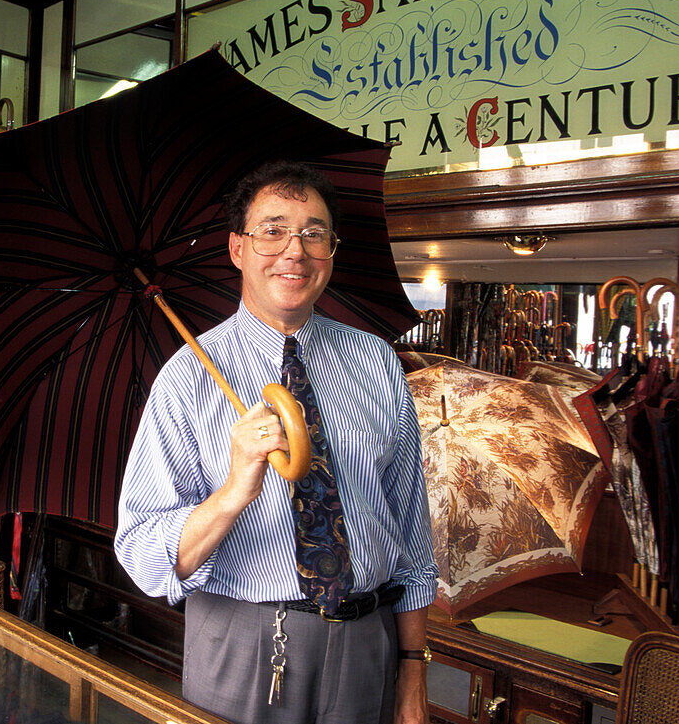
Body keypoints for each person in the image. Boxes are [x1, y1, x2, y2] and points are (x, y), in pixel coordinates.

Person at [114, 160, 438, 724]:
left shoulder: (376, 361)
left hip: (368, 641)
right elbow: (141, 553)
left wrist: (412, 668)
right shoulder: (189, 375)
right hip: (245, 643)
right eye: (273, 230)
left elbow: (410, 529)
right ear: (238, 248)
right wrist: (233, 491)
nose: (295, 250)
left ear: (331, 252)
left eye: (314, 233)